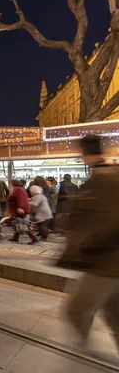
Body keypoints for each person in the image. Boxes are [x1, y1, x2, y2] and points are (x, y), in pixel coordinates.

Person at [56, 134, 119, 351]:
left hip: (105, 261)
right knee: (113, 313)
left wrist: (81, 244)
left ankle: (83, 352)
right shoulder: (109, 174)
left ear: (84, 153)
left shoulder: (103, 178)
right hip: (107, 261)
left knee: (75, 309)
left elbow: (108, 222)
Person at [7, 179, 39, 244]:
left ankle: (34, 238)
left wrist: (20, 207)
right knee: (19, 223)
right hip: (21, 209)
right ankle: (15, 237)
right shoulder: (21, 189)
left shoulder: (17, 189)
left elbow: (20, 198)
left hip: (19, 210)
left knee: (23, 224)